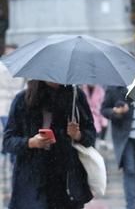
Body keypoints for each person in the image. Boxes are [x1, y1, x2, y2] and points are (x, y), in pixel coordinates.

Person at [3, 80, 96, 208]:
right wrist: (31, 143)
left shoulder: (75, 98)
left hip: (66, 180)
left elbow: (91, 136)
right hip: (32, 181)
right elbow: (8, 141)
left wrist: (78, 135)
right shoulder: (24, 99)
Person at [81, 84, 108, 148]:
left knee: (92, 145)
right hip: (84, 120)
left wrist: (104, 122)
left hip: (96, 122)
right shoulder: (82, 89)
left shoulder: (100, 91)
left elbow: (102, 106)